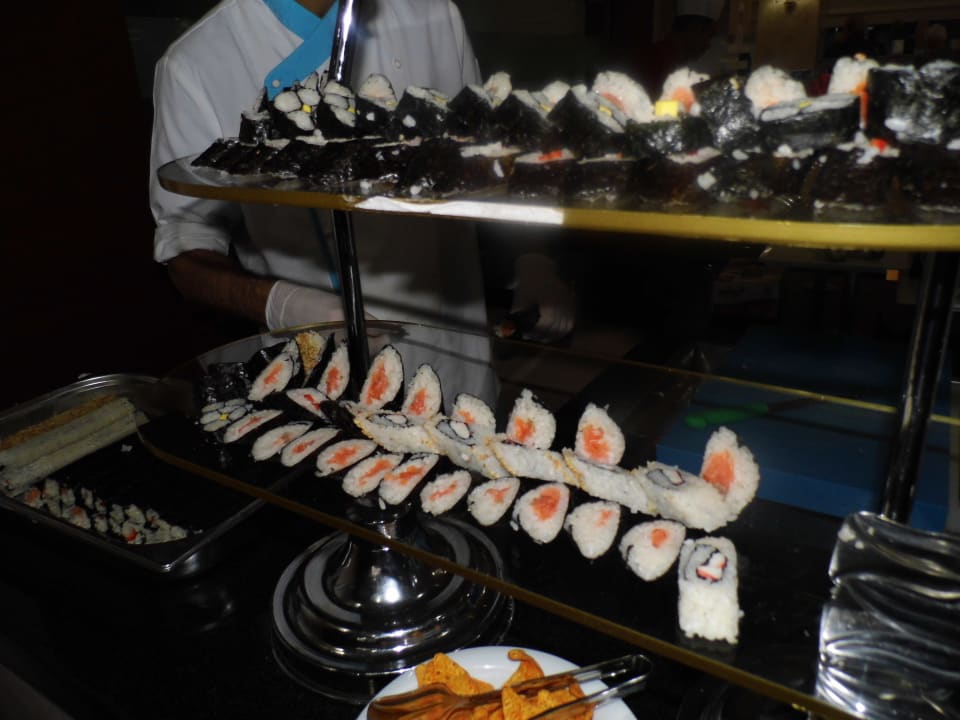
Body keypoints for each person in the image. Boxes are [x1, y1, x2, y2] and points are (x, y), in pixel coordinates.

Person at [149, 0, 574, 403]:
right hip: (317, 374)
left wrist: (531, 257)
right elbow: (186, 250)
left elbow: (487, 164)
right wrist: (283, 304)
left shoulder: (433, 14)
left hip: (457, 355)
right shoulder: (197, 62)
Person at [634, 0, 726, 96]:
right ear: (694, 28)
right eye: (709, 36)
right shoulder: (653, 62)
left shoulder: (675, 63)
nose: (708, 45)